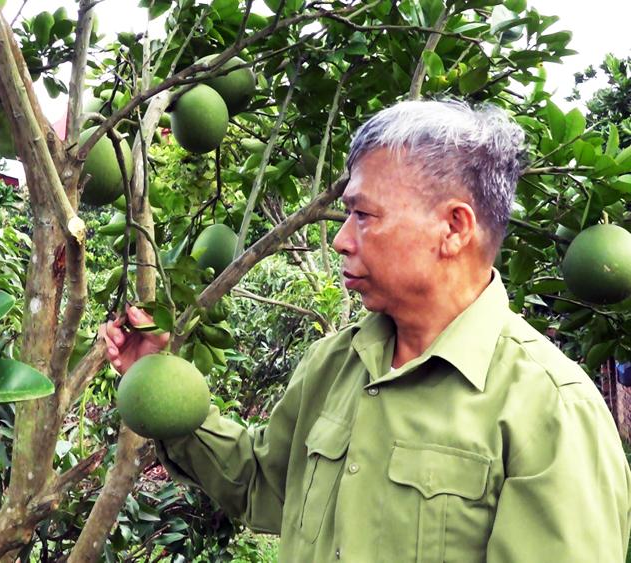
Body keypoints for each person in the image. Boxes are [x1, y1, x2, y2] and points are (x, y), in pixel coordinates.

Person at [100, 100, 631, 562]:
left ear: (454, 228)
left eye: (363, 215)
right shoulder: (336, 363)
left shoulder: (551, 409)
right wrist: (161, 387)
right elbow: (263, 486)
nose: (341, 240)